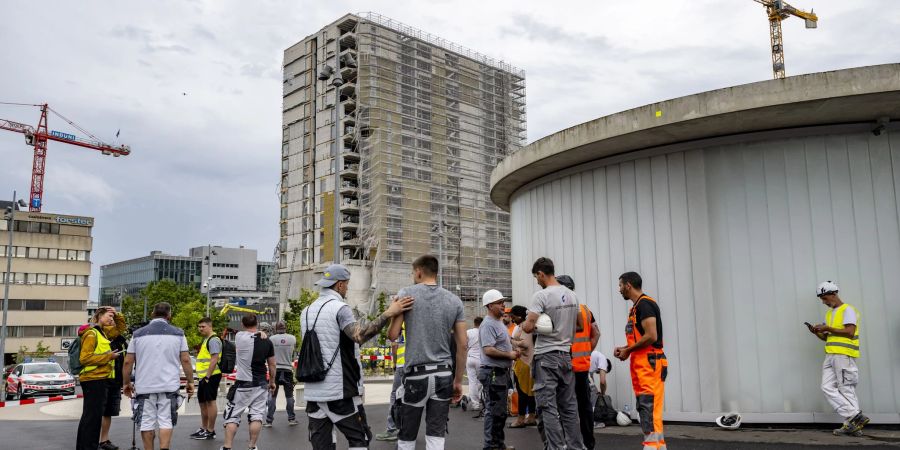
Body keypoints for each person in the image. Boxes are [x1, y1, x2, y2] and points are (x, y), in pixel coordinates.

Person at [302, 264, 414, 450]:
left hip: (313, 392)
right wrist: (388, 313)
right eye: (347, 284)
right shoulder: (339, 308)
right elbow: (359, 335)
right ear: (339, 285)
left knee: (322, 444)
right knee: (359, 438)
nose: (347, 288)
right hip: (339, 391)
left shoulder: (307, 311)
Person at [387, 255, 467, 450]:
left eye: (413, 272)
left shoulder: (406, 294)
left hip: (416, 376)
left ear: (419, 271)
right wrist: (457, 381)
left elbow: (393, 334)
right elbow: (463, 344)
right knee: (436, 436)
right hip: (443, 375)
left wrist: (392, 311)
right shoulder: (454, 301)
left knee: (407, 437)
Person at [520, 257, 584, 450]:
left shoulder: (541, 296)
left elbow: (529, 327)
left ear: (541, 273)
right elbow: (580, 325)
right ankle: (576, 447)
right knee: (569, 408)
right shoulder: (572, 295)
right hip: (566, 355)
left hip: (546, 357)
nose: (537, 281)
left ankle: (556, 447)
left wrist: (528, 324)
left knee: (547, 407)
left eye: (536, 277)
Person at [122, 303, 194, 450]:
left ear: (152, 314)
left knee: (146, 422)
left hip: (145, 387)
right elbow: (186, 360)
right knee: (166, 421)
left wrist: (126, 383)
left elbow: (128, 361)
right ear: (169, 316)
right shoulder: (179, 333)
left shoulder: (138, 334)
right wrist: (190, 381)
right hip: (169, 386)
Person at [807, 281, 869, 436]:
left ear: (833, 293)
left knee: (846, 389)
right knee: (827, 387)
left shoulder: (847, 310)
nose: (823, 302)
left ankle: (851, 424)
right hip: (830, 354)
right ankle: (855, 417)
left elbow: (849, 332)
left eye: (824, 298)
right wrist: (817, 332)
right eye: (821, 299)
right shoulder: (829, 314)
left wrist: (827, 328)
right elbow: (827, 338)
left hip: (843, 355)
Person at [614, 272, 667, 450]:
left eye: (620, 285)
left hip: (649, 363)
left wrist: (628, 350)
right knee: (647, 407)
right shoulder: (637, 307)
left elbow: (651, 336)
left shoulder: (645, 305)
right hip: (642, 363)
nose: (619, 289)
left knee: (648, 407)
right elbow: (641, 338)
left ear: (628, 285)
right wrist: (626, 349)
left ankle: (652, 445)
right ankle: (657, 445)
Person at [557, 275, 601, 449]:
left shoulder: (563, 309)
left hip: (566, 366)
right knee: (584, 406)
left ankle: (570, 443)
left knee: (566, 408)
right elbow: (596, 333)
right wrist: (587, 352)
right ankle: (588, 443)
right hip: (582, 365)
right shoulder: (585, 309)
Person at [221, 314, 276, 450]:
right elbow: (272, 365)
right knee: (256, 416)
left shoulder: (239, 337)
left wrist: (259, 332)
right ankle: (252, 446)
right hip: (261, 383)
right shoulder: (267, 341)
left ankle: (227, 447)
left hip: (243, 384)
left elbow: (249, 334)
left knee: (233, 416)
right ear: (257, 323)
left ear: (242, 324)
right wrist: (272, 382)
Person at [76, 306, 126, 450]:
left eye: (112, 317)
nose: (111, 319)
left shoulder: (103, 333)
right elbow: (85, 358)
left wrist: (117, 314)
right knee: (91, 417)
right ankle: (87, 446)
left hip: (99, 379)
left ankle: (88, 446)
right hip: (93, 379)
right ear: (99, 317)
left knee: (94, 417)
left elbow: (120, 328)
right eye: (108, 316)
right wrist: (109, 356)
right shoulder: (92, 334)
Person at [479, 289, 519, 450]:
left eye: (503, 301)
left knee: (500, 412)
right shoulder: (488, 324)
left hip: (499, 372)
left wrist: (516, 345)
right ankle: (491, 446)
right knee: (494, 411)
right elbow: (488, 350)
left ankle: (497, 444)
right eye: (499, 302)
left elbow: (504, 342)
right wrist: (509, 354)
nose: (503, 305)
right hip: (493, 372)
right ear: (489, 306)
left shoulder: (498, 322)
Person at [191, 317, 222, 440]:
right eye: (199, 327)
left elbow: (214, 359)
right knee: (202, 402)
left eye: (203, 326)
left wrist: (208, 376)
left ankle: (210, 430)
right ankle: (204, 428)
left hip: (211, 375)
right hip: (204, 376)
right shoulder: (206, 340)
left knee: (210, 402)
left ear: (210, 326)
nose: (200, 329)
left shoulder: (213, 340)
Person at [375, 323, 406, 442]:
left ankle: (391, 429)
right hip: (414, 364)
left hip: (402, 364)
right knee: (410, 398)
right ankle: (407, 429)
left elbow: (394, 344)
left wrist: (394, 363)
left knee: (396, 396)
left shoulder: (401, 322)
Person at [264, 321, 298, 428]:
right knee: (289, 396)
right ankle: (291, 419)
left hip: (276, 371)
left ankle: (269, 420)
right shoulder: (292, 338)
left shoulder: (272, 339)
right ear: (285, 328)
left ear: (276, 329)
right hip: (288, 370)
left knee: (272, 396)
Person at [508, 305, 536, 428]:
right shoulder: (526, 325)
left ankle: (520, 419)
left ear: (519, 316)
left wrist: (511, 341)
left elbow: (525, 343)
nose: (512, 320)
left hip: (524, 363)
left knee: (522, 392)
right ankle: (531, 416)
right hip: (528, 362)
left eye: (513, 317)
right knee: (529, 392)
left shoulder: (525, 326)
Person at [589, 350, 612, 429]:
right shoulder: (603, 360)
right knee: (593, 395)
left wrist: (596, 389)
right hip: (582, 371)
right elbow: (602, 381)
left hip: (576, 369)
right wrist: (602, 393)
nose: (598, 372)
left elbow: (591, 379)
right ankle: (591, 422)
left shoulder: (595, 357)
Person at [466, 316, 484, 412]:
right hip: (480, 360)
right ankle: (474, 398)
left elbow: (464, 345)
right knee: (481, 381)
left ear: (474, 323)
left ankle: (475, 404)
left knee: (472, 382)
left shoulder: (468, 332)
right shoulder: (483, 332)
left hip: (469, 358)